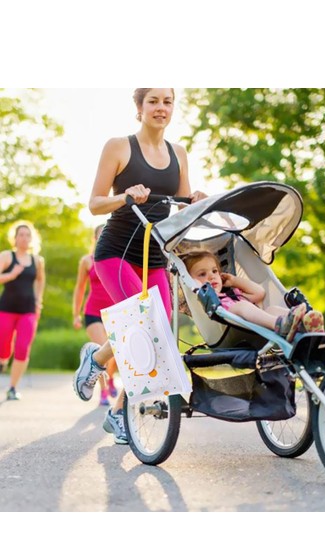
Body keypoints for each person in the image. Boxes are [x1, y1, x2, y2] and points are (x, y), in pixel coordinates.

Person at [73, 88, 207, 444]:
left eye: (167, 101)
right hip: (115, 252)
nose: (161, 108)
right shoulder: (119, 147)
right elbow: (95, 203)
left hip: (154, 256)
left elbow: (182, 210)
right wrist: (125, 196)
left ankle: (117, 411)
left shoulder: (179, 153)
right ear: (139, 107)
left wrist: (194, 202)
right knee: (142, 324)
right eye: (153, 101)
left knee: (160, 336)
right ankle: (98, 363)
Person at [183, 251, 325, 341]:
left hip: (259, 323)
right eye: (202, 274)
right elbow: (195, 288)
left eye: (215, 271)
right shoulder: (210, 301)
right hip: (233, 330)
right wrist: (196, 285)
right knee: (243, 305)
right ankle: (281, 324)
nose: (211, 276)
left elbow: (260, 293)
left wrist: (234, 281)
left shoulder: (234, 293)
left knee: (272, 309)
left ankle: (305, 325)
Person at [72, 225, 119, 407]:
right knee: (102, 350)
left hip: (115, 313)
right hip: (93, 312)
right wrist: (75, 315)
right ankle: (104, 392)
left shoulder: (118, 259)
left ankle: (111, 379)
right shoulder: (87, 261)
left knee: (114, 355)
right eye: (100, 235)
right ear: (95, 238)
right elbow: (79, 289)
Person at [0, 221, 45, 400]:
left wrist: (38, 301)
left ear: (31, 238)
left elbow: (41, 281)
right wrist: (11, 275)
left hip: (28, 311)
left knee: (22, 348)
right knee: (3, 345)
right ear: (15, 237)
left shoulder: (37, 260)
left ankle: (12, 387)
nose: (24, 238)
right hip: (6, 309)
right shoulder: (7, 256)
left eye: (27, 235)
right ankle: (3, 360)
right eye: (21, 234)